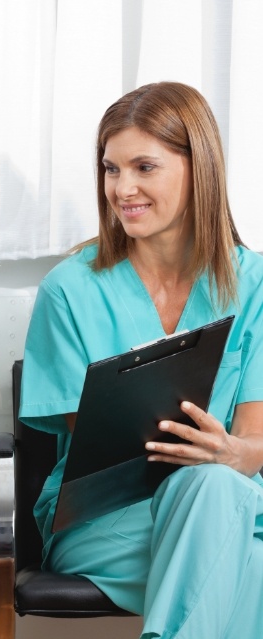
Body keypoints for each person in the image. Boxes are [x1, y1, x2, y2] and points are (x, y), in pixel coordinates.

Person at [19, 81, 263, 638]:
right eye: (111, 169)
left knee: (213, 485)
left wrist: (230, 453)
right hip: (107, 521)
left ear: (197, 168)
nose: (122, 188)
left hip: (231, 500)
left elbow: (255, 440)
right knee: (243, 553)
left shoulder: (256, 285)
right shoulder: (69, 290)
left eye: (144, 167)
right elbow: (101, 463)